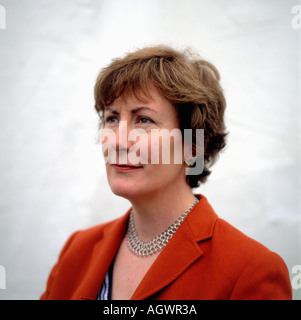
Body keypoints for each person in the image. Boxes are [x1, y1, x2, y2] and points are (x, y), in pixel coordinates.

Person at [40, 45, 292, 300]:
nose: (118, 141)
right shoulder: (77, 250)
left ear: (193, 147)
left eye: (144, 120)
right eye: (112, 118)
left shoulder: (251, 271)